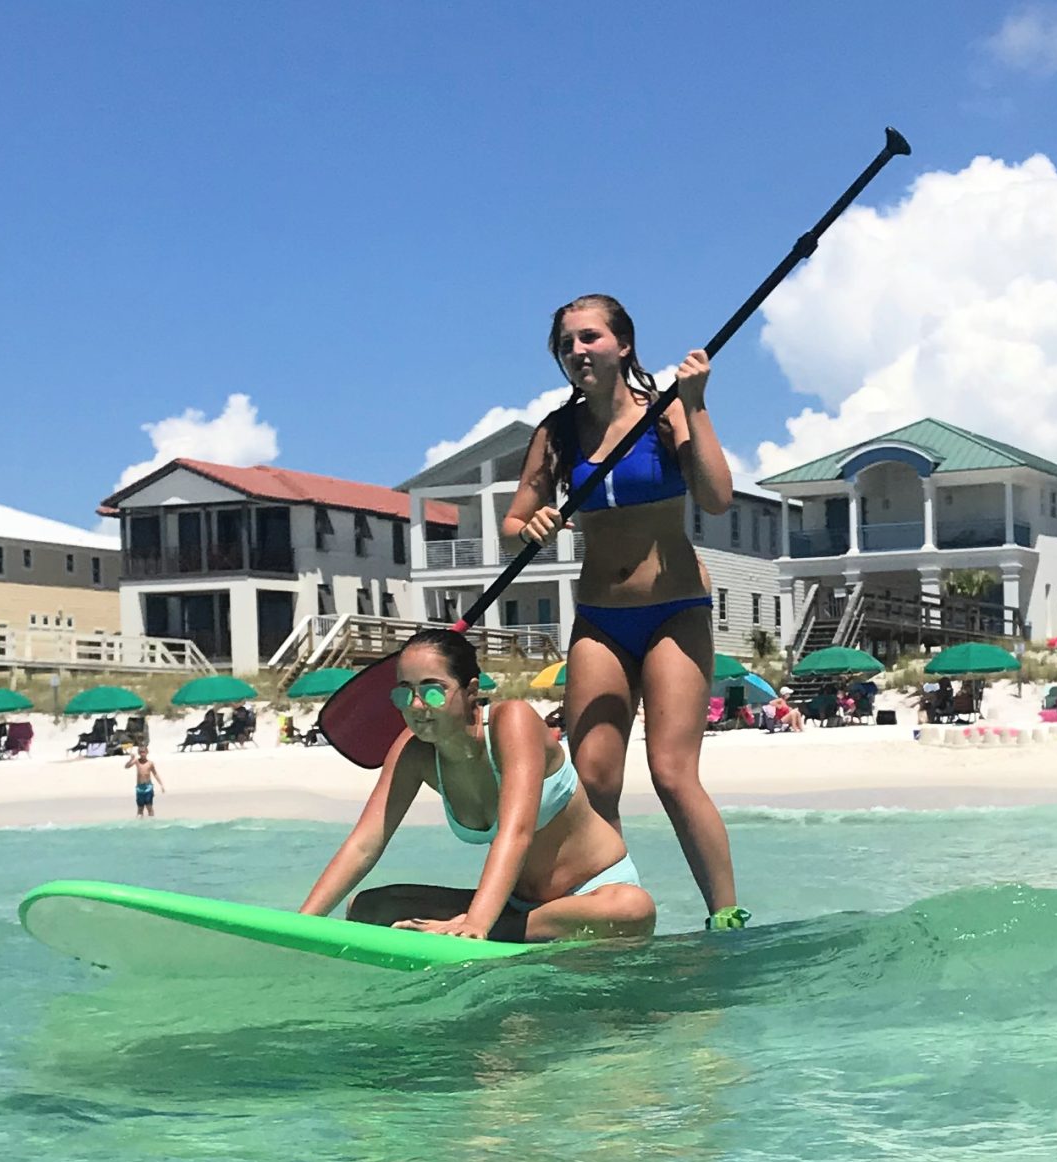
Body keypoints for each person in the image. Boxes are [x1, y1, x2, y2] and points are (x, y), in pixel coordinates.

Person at [505, 294, 747, 932]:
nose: (578, 352)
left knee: (670, 772)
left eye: (590, 338)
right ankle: (604, 913)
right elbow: (512, 521)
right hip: (600, 619)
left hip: (675, 612)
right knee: (593, 778)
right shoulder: (556, 434)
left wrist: (694, 406)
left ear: (624, 344)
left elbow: (718, 498)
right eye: (566, 345)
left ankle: (726, 914)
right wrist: (529, 525)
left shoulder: (667, 415)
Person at [301, 628, 655, 943]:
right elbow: (364, 845)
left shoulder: (512, 722)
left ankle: (494, 932)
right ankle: (508, 931)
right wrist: (303, 925)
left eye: (433, 692)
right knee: (369, 907)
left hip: (591, 894)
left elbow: (516, 833)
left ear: (471, 691)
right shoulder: (413, 753)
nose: (417, 706)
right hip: (515, 907)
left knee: (632, 909)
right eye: (404, 693)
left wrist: (476, 924)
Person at [132, 749, 164, 818]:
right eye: (141, 752)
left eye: (144, 752)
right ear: (139, 753)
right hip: (139, 788)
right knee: (140, 808)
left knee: (149, 806)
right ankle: (139, 824)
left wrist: (161, 784)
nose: (142, 754)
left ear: (147, 753)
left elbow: (155, 774)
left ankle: (151, 822)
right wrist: (131, 759)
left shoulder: (150, 763)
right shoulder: (136, 761)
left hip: (148, 787)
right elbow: (126, 766)